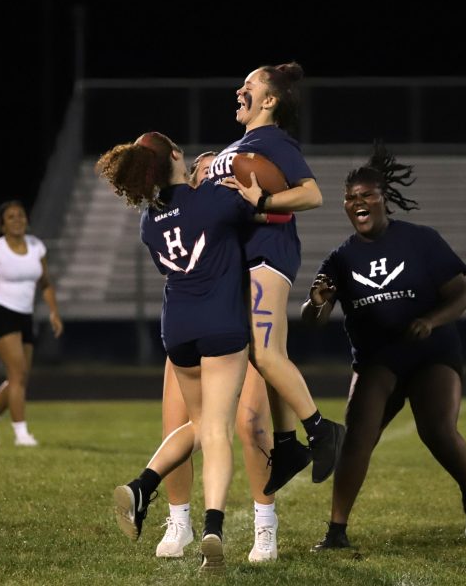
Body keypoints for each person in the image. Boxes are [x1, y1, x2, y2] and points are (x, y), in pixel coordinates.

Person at [300, 142, 466, 550]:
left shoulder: (421, 240)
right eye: (350, 198)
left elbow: (462, 294)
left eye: (366, 195)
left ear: (383, 197)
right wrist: (315, 304)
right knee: (359, 435)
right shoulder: (339, 259)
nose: (358, 202)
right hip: (377, 360)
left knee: (436, 428)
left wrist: (430, 320)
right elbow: (313, 321)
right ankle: (336, 531)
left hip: (431, 352)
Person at [96, 131, 259, 574]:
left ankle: (143, 485)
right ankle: (213, 528)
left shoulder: (149, 220)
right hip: (221, 324)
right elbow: (255, 208)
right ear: (173, 155)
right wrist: (253, 193)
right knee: (217, 431)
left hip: (179, 330)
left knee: (198, 421)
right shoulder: (212, 199)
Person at [209, 61, 345, 496]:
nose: (239, 90)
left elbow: (312, 193)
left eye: (248, 85)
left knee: (266, 355)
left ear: (269, 100)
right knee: (262, 355)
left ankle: (322, 431)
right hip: (246, 257)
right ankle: (287, 445)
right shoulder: (246, 142)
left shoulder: (272, 140)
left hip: (268, 256)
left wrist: (265, 199)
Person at [155, 151, 279, 563]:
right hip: (198, 330)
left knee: (252, 425)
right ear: (191, 180)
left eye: (220, 172)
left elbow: (278, 217)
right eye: (205, 172)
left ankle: (265, 524)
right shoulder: (194, 214)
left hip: (244, 329)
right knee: (178, 426)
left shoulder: (237, 212)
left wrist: (260, 201)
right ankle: (179, 520)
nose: (214, 178)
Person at [0, 200, 63, 447]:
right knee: (17, 374)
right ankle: (21, 434)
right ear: (2, 224)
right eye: (11, 217)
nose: (17, 220)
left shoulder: (37, 247)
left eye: (20, 216)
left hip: (24, 315)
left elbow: (45, 283)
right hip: (0, 313)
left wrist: (54, 313)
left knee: (20, 377)